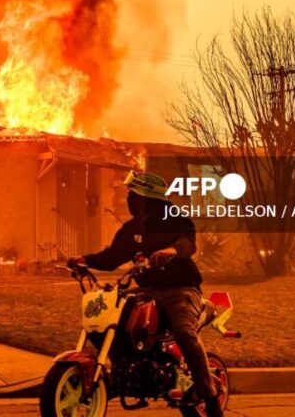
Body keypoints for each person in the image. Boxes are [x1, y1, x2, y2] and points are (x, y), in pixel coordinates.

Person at [68, 171, 223, 417]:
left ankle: (210, 396)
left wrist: (171, 250)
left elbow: (188, 244)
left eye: (134, 195)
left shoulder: (175, 219)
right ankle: (125, 374)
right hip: (145, 290)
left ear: (148, 198)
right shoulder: (131, 230)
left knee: (184, 332)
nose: (129, 199)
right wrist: (84, 260)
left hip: (180, 289)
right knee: (112, 321)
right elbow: (112, 257)